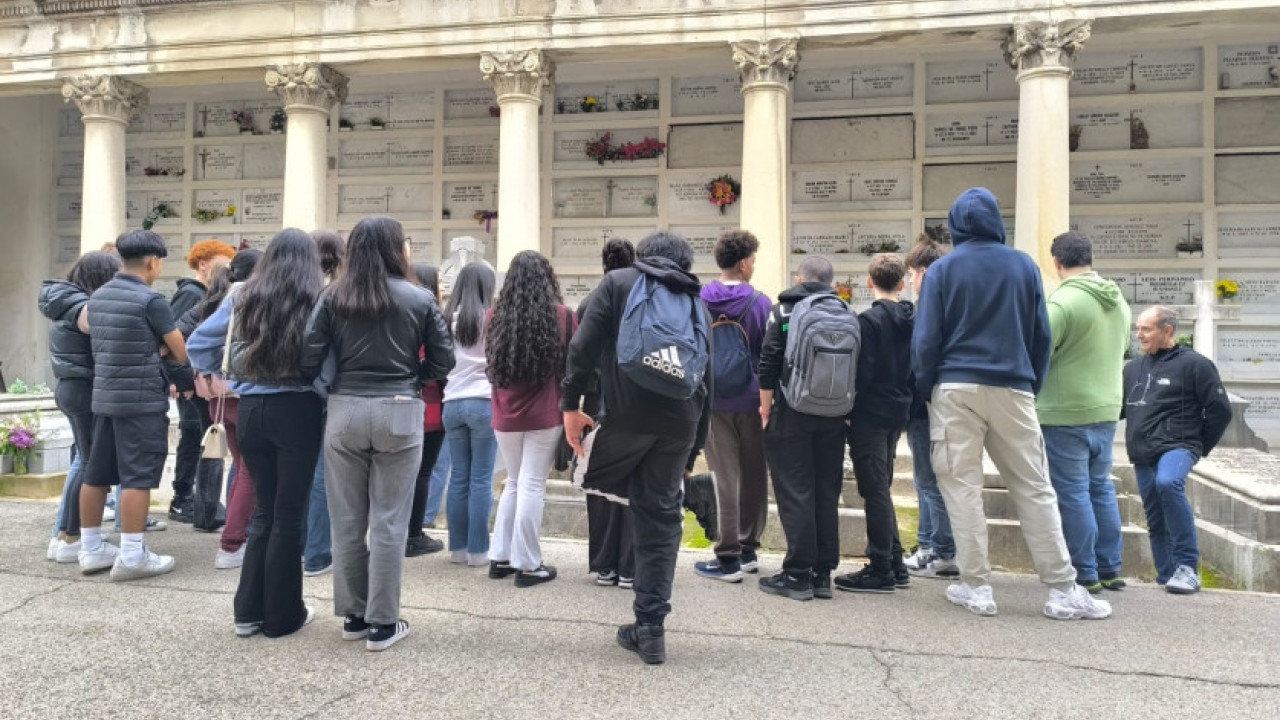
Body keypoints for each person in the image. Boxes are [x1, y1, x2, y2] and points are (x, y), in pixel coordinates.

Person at [913, 187, 1110, 620]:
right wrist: (1030, 384)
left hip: (956, 387)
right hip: (1014, 386)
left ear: (954, 227)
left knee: (961, 489)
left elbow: (926, 338)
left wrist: (928, 389)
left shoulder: (942, 271)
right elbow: (1040, 334)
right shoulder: (1023, 265)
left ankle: (976, 587)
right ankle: (1062, 589)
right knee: (1035, 488)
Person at [302, 216, 453, 651]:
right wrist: (412, 378)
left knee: (347, 519)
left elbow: (308, 357)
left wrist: (331, 389)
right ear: (394, 248)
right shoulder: (420, 298)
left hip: (345, 408)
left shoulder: (333, 297)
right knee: (390, 520)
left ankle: (352, 615)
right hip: (401, 409)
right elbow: (444, 362)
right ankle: (383, 623)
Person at [562, 231, 710, 665]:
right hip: (679, 423)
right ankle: (651, 630)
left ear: (643, 257)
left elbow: (582, 347)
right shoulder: (695, 300)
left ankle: (609, 560)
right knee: (661, 517)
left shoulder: (618, 283)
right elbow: (708, 381)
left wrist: (571, 405)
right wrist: (692, 451)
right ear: (684, 262)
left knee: (592, 477)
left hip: (624, 415)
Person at [189, 228, 328, 638]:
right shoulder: (316, 299)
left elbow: (198, 345)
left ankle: (247, 612)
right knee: (289, 515)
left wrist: (227, 377)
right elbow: (327, 364)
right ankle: (283, 615)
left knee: (264, 512)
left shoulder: (241, 296)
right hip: (298, 409)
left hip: (250, 410)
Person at [77, 230, 193, 581]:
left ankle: (91, 548)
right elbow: (180, 349)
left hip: (105, 397)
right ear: (153, 262)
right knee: (137, 478)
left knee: (96, 474)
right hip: (141, 400)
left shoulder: (97, 297)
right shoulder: (150, 300)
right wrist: (157, 350)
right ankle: (131, 555)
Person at [1037, 232, 1132, 594]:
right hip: (1107, 408)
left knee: (1073, 493)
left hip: (1065, 411)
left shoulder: (1062, 303)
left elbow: (1039, 354)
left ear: (1057, 263)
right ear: (1089, 258)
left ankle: (1084, 571)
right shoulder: (1118, 299)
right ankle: (1110, 568)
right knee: (1100, 489)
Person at [757, 256, 851, 602]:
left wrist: (765, 408)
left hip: (791, 410)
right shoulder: (845, 313)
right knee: (826, 491)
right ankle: (823, 574)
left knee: (796, 490)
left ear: (799, 279)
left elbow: (768, 361)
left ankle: (797, 574)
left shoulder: (782, 312)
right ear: (831, 282)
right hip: (833, 414)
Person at [1123, 305, 1232, 595]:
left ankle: (1187, 567)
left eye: (1146, 329)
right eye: (1138, 328)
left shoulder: (1196, 364)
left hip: (1179, 446)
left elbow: (1220, 410)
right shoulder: (1133, 368)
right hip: (1143, 450)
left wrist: (1198, 445)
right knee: (1155, 514)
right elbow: (1117, 409)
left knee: (1168, 482)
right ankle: (1167, 574)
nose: (1139, 334)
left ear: (1167, 331)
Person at [486, 251, 575, 587]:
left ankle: (500, 556)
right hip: (545, 412)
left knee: (514, 481)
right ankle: (527, 563)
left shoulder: (494, 317)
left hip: (504, 415)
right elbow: (573, 366)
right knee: (532, 483)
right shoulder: (564, 317)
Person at [693, 230, 772, 583]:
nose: (754, 266)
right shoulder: (760, 302)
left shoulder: (699, 299)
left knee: (723, 474)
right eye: (753, 260)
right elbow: (767, 352)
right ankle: (749, 548)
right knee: (754, 472)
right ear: (742, 263)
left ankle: (726, 555)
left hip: (714, 397)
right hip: (754, 398)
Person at [836, 253, 914, 594]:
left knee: (874, 488)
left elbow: (863, 371)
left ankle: (881, 566)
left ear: (870, 283)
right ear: (902, 283)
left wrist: (850, 407)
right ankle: (895, 561)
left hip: (870, 412)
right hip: (899, 409)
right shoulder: (915, 318)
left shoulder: (867, 322)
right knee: (881, 483)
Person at [40, 251, 120, 563]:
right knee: (91, 465)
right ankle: (73, 538)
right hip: (86, 388)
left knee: (84, 461)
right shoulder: (83, 307)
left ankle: (64, 536)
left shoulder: (64, 301)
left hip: (69, 387)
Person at [183, 250, 263, 561]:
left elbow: (196, 341)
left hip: (219, 399)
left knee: (241, 468)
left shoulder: (217, 295)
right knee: (250, 472)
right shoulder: (247, 298)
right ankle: (231, 543)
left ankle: (234, 533)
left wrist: (210, 375)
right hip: (242, 395)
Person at [899, 237, 958, 579]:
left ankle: (939, 550)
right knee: (933, 478)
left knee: (928, 479)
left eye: (911, 273)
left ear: (922, 272)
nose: (909, 281)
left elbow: (920, 357)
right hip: (945, 403)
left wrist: (915, 395)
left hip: (925, 406)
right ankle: (930, 546)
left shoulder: (927, 307)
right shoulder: (952, 304)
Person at [169, 239, 236, 524]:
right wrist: (183, 382)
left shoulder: (211, 294)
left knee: (206, 442)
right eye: (222, 265)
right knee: (194, 439)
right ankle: (184, 499)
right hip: (192, 385)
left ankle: (203, 505)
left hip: (200, 383)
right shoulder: (190, 294)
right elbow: (173, 341)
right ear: (203, 264)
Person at [583, 238, 636, 588]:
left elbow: (580, 356)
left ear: (603, 265)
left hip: (595, 406)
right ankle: (630, 568)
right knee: (633, 485)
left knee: (600, 486)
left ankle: (605, 566)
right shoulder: (641, 299)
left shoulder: (589, 303)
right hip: (633, 405)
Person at [442, 262, 498, 567]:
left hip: (452, 402)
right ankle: (479, 552)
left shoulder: (446, 318)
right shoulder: (491, 318)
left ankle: (457, 549)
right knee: (480, 480)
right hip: (483, 400)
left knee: (458, 478)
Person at [304, 229, 346, 576]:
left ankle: (301, 547)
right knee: (321, 474)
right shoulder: (335, 293)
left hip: (285, 391)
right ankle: (317, 553)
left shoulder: (288, 287)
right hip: (322, 392)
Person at [406, 262, 447, 557]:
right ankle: (414, 534)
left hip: (403, 405)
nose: (443, 288)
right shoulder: (430, 316)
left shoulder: (402, 313)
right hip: (430, 407)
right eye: (440, 282)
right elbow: (439, 361)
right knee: (422, 473)